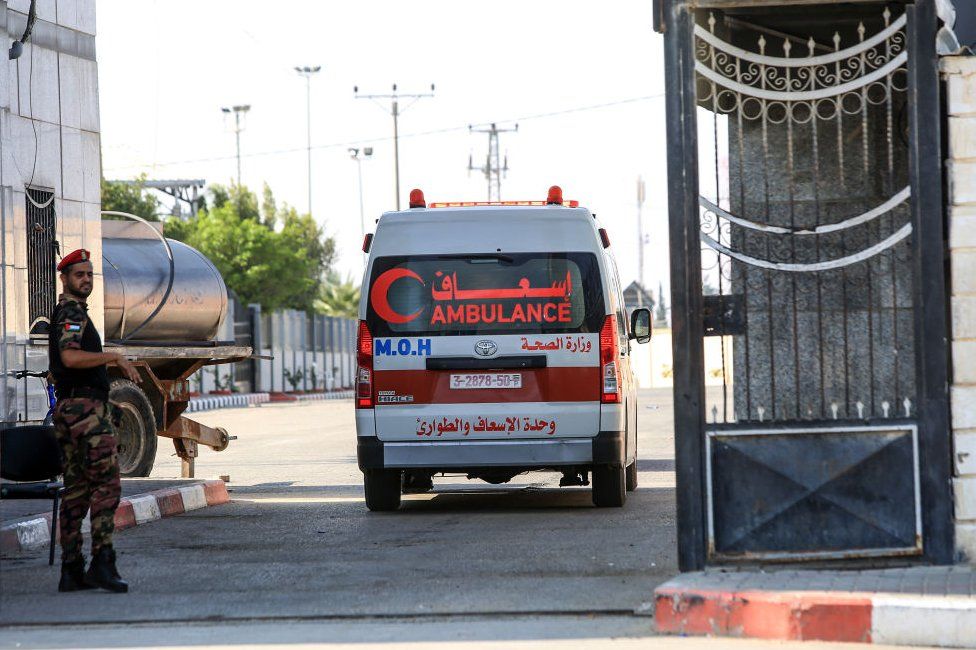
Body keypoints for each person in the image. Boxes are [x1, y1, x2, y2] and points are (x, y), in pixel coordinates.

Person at [49, 248, 140, 593]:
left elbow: (61, 362)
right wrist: (114, 356)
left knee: (77, 492)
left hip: (72, 410)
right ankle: (103, 561)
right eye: (79, 275)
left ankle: (71, 569)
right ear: (65, 279)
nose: (85, 279)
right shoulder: (71, 312)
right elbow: (71, 357)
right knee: (107, 485)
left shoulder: (66, 313)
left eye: (89, 274)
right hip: (85, 413)